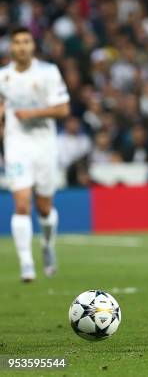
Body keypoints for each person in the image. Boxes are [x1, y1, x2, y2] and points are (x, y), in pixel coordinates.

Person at [0, 27, 70, 282]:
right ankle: (26, 263)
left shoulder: (48, 72)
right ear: (11, 47)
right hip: (16, 145)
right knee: (21, 203)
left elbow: (63, 109)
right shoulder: (3, 77)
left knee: (44, 207)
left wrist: (32, 114)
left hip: (44, 145)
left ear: (33, 46)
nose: (21, 46)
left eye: (26, 41)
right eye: (16, 42)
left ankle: (47, 245)